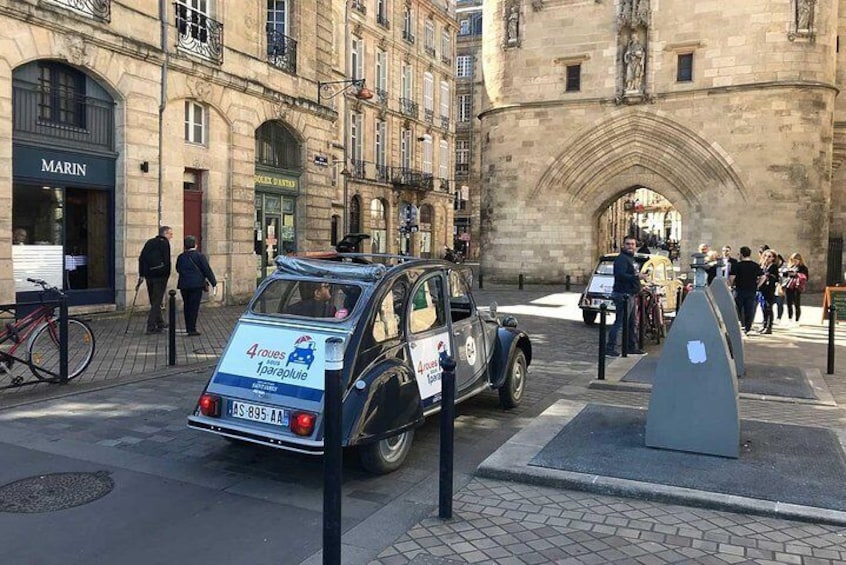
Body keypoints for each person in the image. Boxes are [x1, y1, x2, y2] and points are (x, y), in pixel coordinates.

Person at [606, 236, 647, 357]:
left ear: (636, 246)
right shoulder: (622, 259)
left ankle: (630, 347)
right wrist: (637, 277)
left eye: (633, 244)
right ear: (623, 245)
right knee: (619, 323)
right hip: (623, 294)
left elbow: (632, 274)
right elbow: (620, 275)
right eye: (628, 244)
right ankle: (609, 348)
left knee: (632, 323)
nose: (630, 246)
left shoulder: (631, 259)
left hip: (631, 294)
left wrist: (640, 285)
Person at [175, 235, 216, 337]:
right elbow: (207, 270)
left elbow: (178, 268)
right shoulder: (199, 256)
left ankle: (188, 326)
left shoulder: (181, 256)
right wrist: (213, 282)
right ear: (196, 245)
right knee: (194, 307)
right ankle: (192, 329)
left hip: (184, 284)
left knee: (187, 306)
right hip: (196, 285)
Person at [138, 226, 173, 334]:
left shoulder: (149, 242)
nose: (171, 236)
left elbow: (141, 258)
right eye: (170, 234)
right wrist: (167, 273)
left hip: (149, 275)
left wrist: (142, 274)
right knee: (157, 301)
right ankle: (151, 326)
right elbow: (167, 260)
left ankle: (160, 322)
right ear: (165, 233)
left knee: (154, 300)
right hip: (160, 276)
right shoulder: (164, 243)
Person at [729, 246, 763, 335]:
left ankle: (740, 325)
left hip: (739, 289)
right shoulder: (755, 265)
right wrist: (758, 285)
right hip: (751, 290)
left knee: (738, 308)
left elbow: (732, 277)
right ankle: (748, 327)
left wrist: (731, 285)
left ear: (741, 254)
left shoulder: (737, 265)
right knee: (749, 309)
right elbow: (763, 276)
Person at [757, 249, 780, 334]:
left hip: (769, 290)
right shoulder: (763, 265)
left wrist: (768, 276)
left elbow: (775, 278)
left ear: (773, 258)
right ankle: (764, 324)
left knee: (768, 308)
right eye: (766, 256)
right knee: (763, 308)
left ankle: (769, 327)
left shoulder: (773, 266)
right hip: (762, 290)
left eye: (769, 256)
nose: (767, 258)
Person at [784, 252, 809, 323]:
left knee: (796, 304)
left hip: (797, 287)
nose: (794, 261)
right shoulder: (790, 267)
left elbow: (806, 277)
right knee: (789, 303)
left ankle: (797, 320)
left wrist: (796, 274)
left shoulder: (803, 268)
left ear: (800, 260)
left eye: (796, 260)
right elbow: (785, 275)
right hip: (789, 287)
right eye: (792, 260)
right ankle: (790, 319)